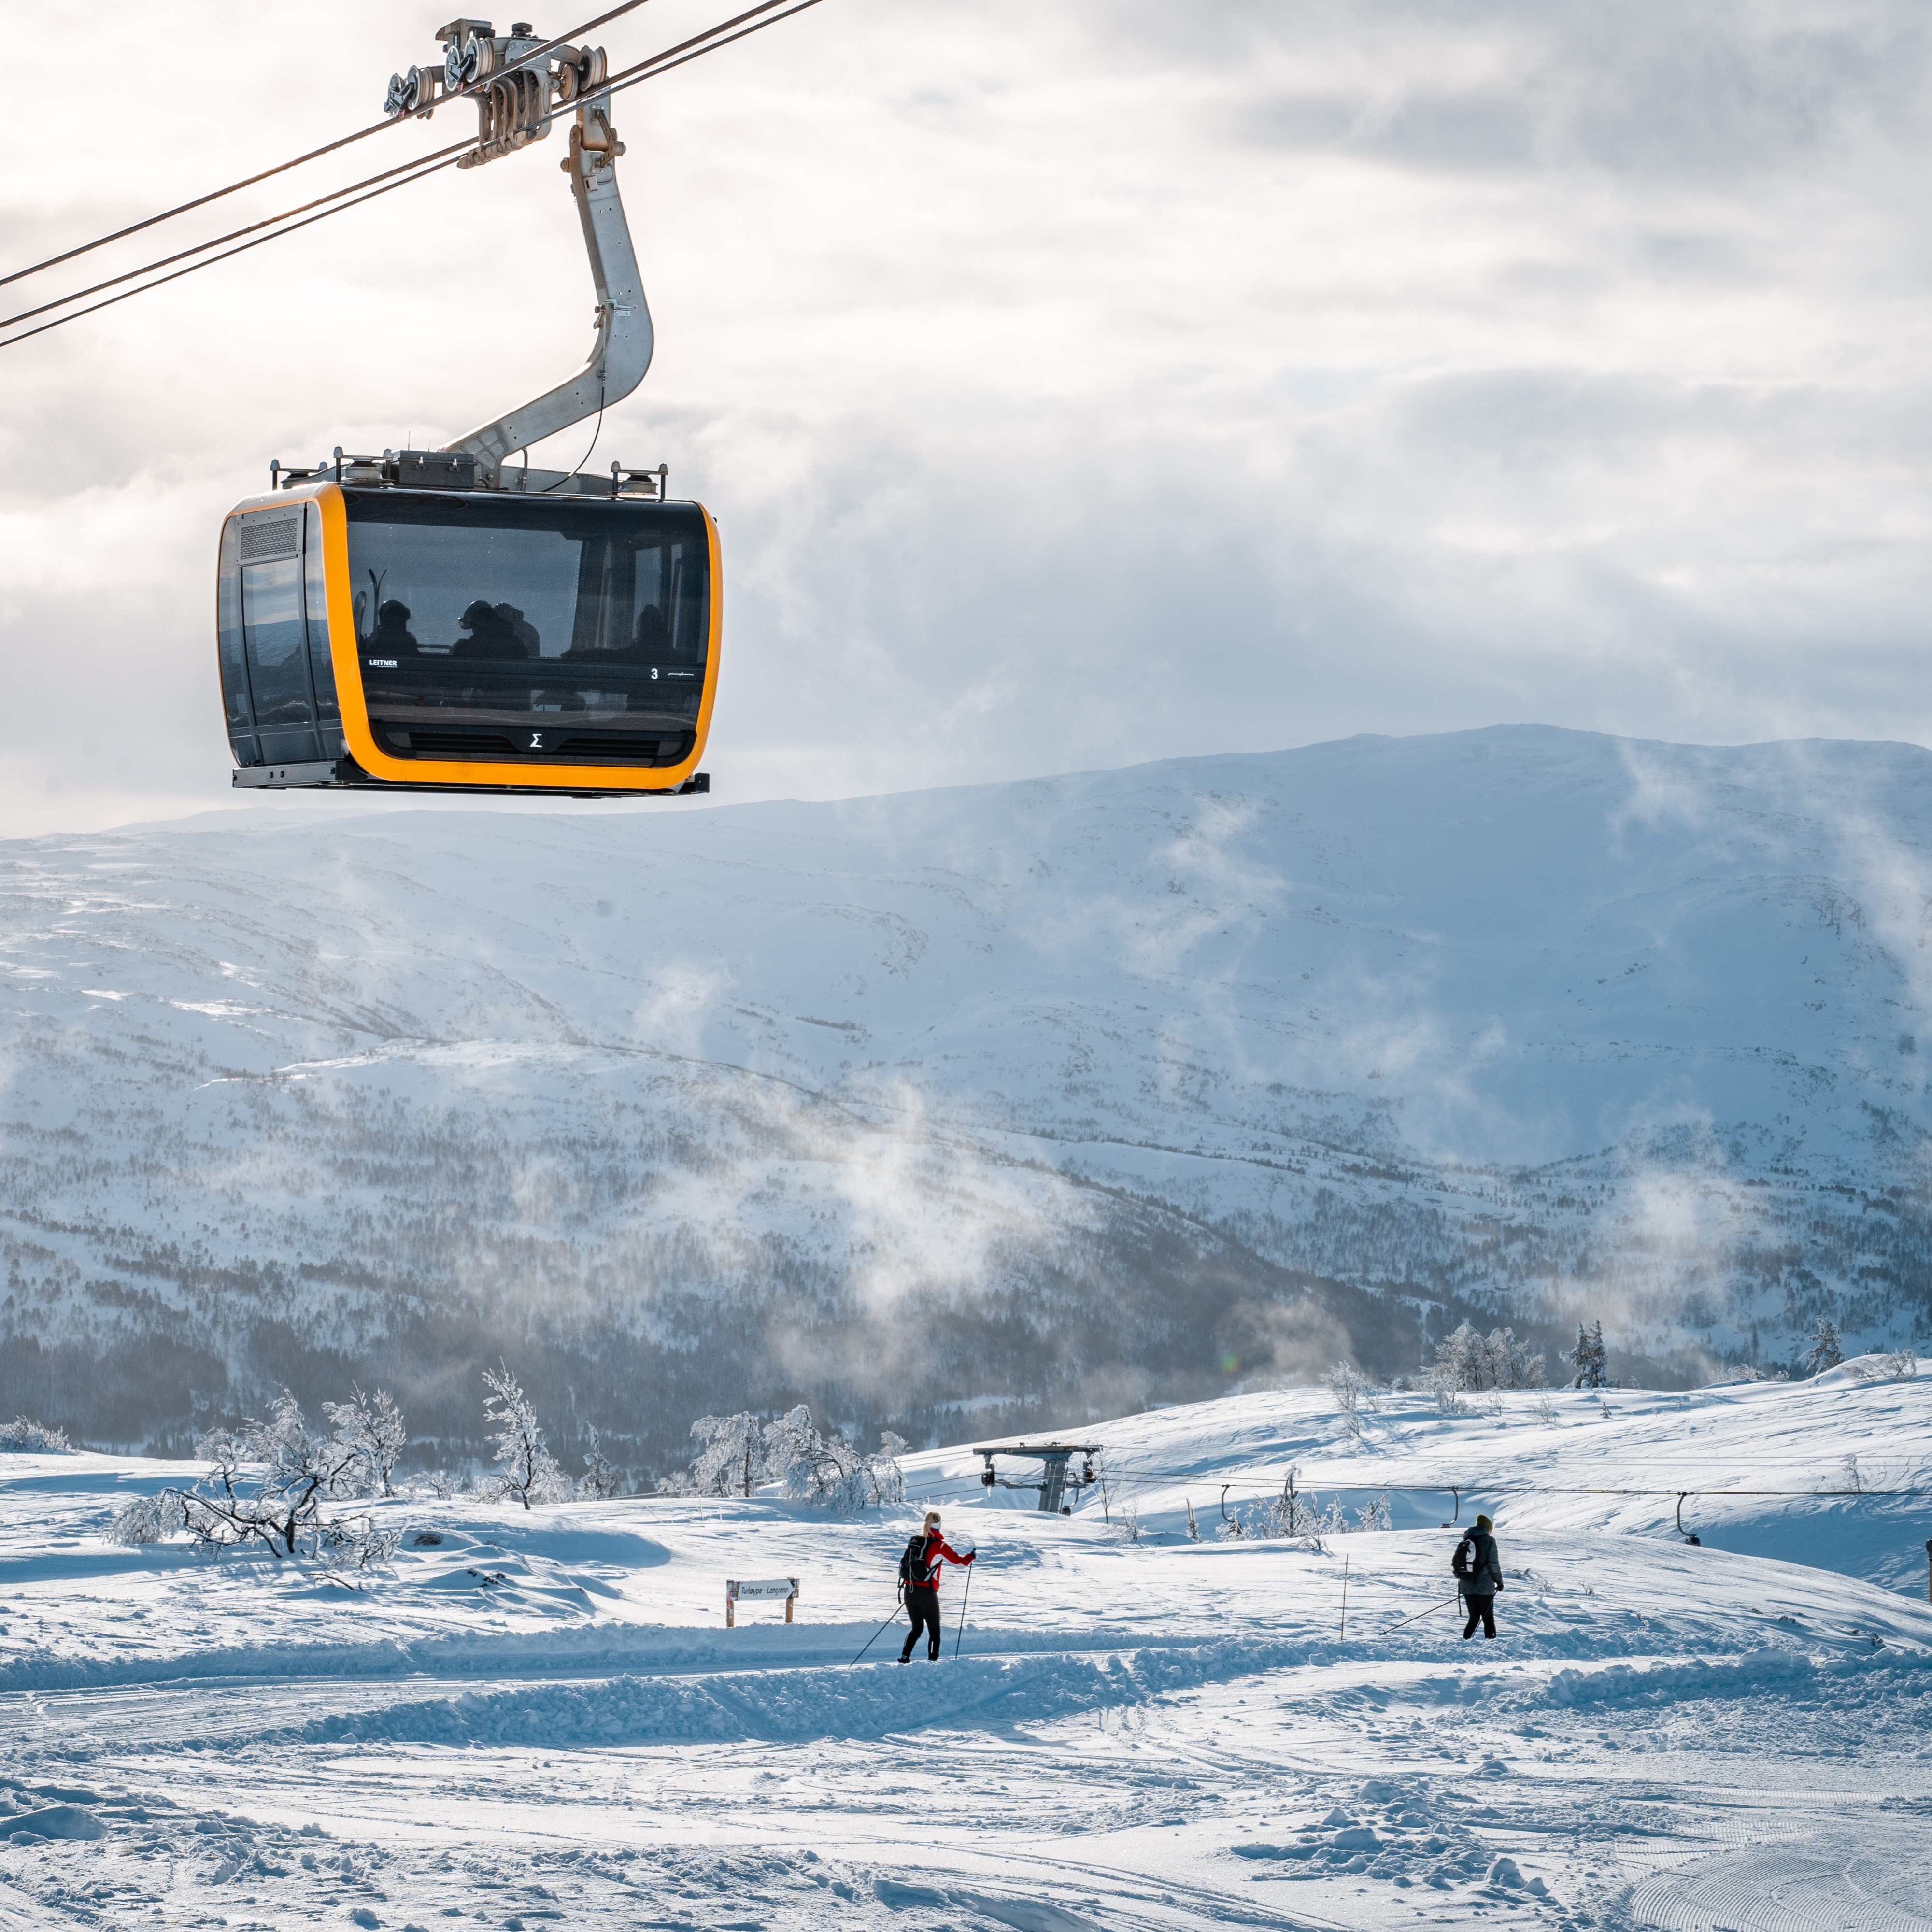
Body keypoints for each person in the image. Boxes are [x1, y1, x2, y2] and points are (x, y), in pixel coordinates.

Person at [897, 1508, 974, 1662]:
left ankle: (904, 1658)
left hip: (909, 1590)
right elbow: (958, 1563)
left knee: (917, 1629)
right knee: (934, 1630)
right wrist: (971, 1556)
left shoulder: (916, 1542)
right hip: (927, 1593)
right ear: (940, 1525)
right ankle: (933, 1662)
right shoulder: (939, 1546)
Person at [1455, 1513, 1503, 1639]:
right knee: (1488, 1618)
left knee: (1474, 1618)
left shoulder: (1467, 1540)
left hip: (1466, 1584)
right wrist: (1499, 1582)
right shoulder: (1489, 1541)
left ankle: (1464, 1643)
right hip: (1484, 1586)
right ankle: (1491, 1645)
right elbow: (1493, 1564)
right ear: (1488, 1529)